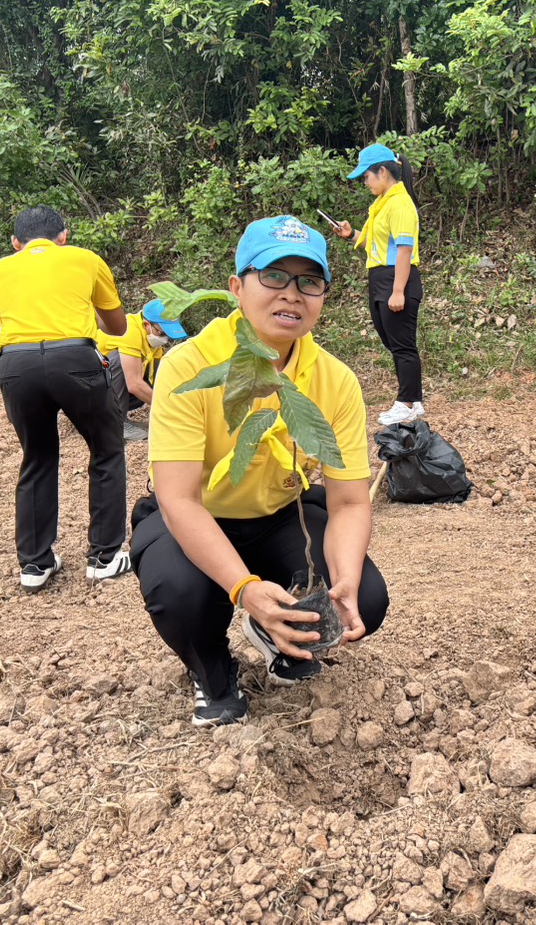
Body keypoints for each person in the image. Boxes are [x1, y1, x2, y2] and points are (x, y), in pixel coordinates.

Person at [133, 215, 389, 726]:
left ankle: (277, 635)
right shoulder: (190, 366)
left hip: (277, 513)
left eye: (309, 281)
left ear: (322, 296)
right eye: (273, 276)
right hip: (196, 515)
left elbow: (349, 501)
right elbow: (179, 499)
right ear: (237, 287)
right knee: (180, 593)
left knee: (366, 594)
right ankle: (212, 671)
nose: (291, 294)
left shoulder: (333, 381)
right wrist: (245, 589)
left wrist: (344, 580)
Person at [0, 205, 130, 592]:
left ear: (16, 244)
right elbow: (118, 326)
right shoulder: (84, 259)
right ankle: (104, 557)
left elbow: (13, 321)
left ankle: (34, 564)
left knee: (38, 457)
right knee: (107, 449)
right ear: (63, 236)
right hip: (76, 360)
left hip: (16, 366)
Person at [333, 142, 425, 426]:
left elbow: (403, 251)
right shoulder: (382, 204)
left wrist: (398, 290)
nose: (365, 182)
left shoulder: (399, 204)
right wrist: (351, 235)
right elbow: (378, 244)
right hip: (381, 278)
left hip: (397, 279)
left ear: (382, 171)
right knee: (392, 341)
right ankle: (412, 399)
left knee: (402, 344)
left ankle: (407, 402)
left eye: (366, 176)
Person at [98, 298, 188, 442]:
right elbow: (134, 385)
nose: (166, 340)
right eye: (162, 333)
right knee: (119, 362)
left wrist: (181, 401)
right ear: (147, 325)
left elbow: (161, 377)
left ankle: (119, 418)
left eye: (169, 337)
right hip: (88, 388)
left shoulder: (151, 340)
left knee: (149, 375)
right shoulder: (129, 331)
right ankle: (116, 425)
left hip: (103, 386)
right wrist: (167, 407)